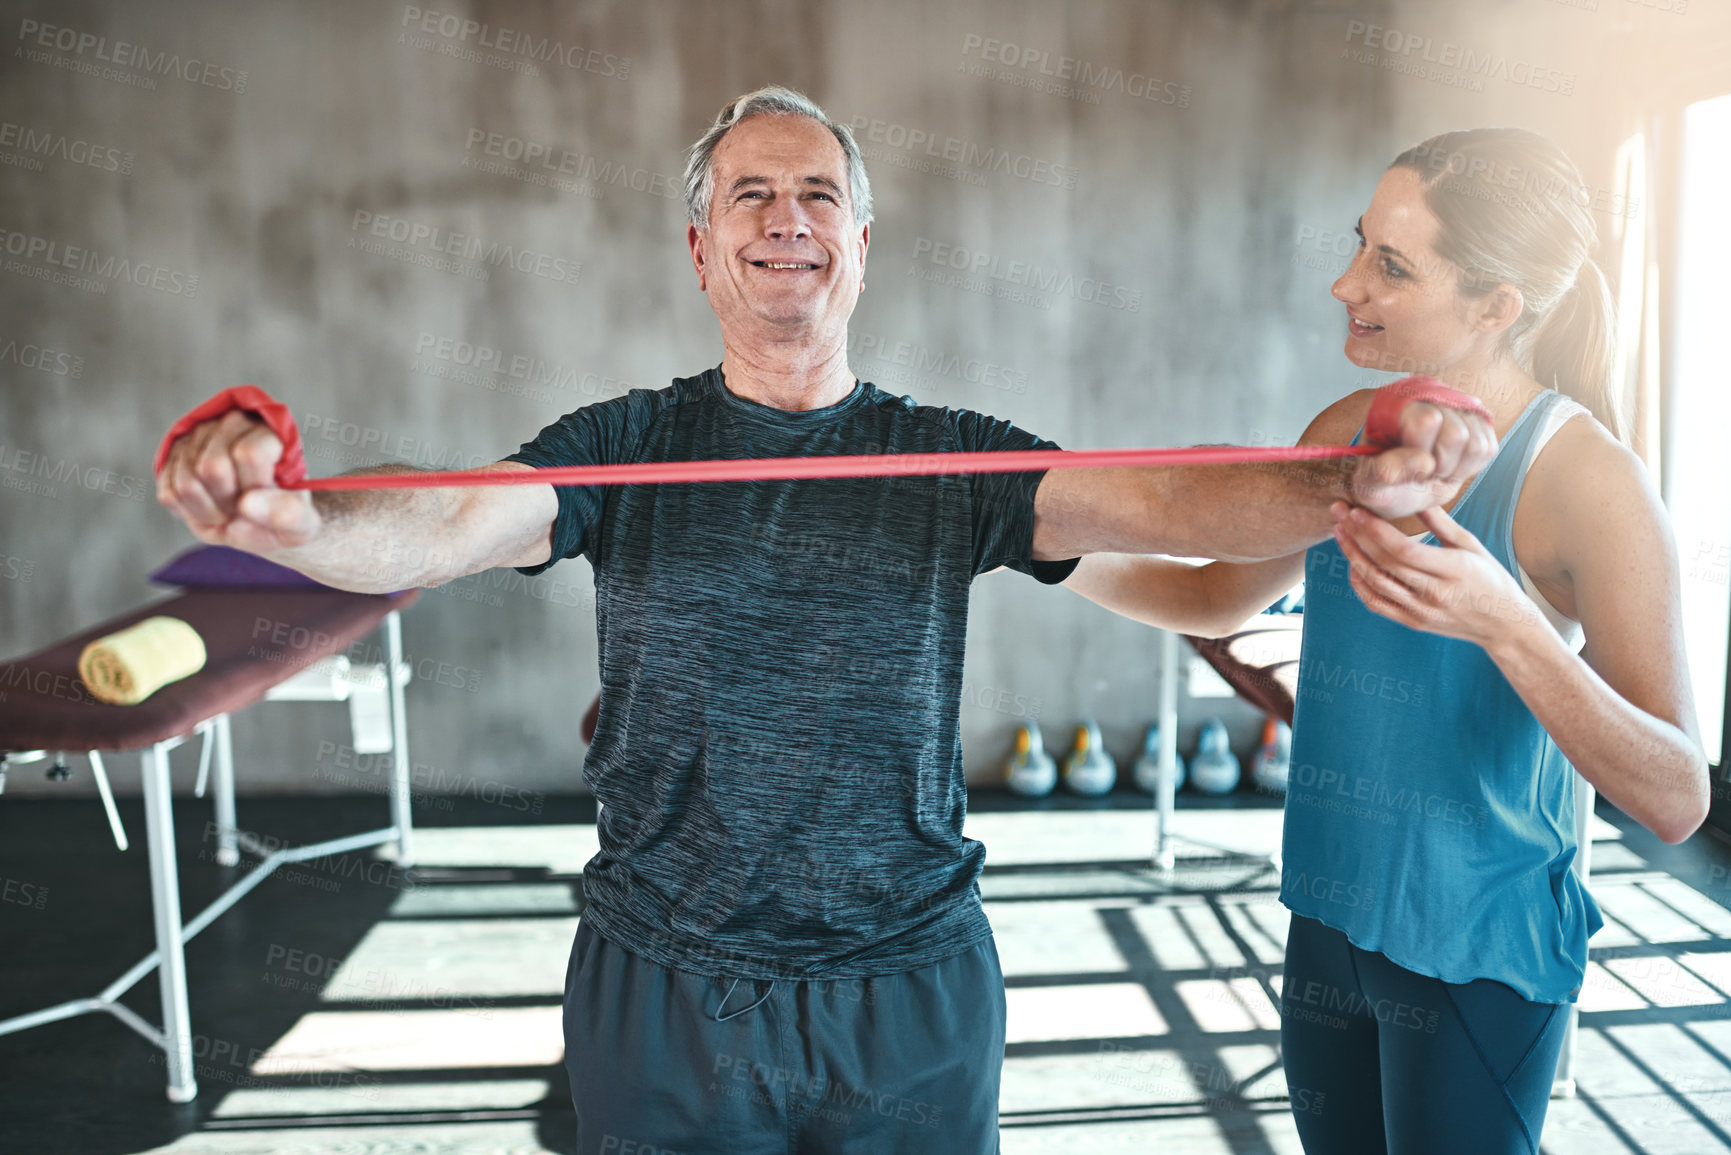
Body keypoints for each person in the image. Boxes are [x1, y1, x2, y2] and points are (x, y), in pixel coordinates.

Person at [154, 88, 1493, 1155]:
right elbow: (446, 522)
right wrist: (296, 519)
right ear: (699, 248)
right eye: (752, 192)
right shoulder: (621, 446)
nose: (786, 216)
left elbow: (1159, 491)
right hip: (666, 984)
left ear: (858, 244)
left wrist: (1346, 479)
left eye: (818, 195)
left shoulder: (940, 459)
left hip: (906, 985)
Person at [1065, 127, 1708, 1153]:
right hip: (1330, 920)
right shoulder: (1349, 429)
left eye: (1390, 265)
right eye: (1361, 243)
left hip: (1475, 950)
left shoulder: (1590, 482)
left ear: (1496, 307)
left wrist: (1505, 621)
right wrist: (1029, 543)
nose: (1343, 282)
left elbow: (1677, 797)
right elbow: (1221, 597)